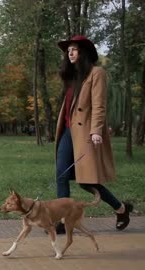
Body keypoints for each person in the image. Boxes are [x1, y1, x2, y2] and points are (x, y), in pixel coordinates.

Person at [54, 35, 133, 234]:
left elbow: (99, 105)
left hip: (85, 133)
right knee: (61, 175)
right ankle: (63, 220)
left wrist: (97, 130)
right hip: (68, 131)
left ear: (84, 53)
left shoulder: (97, 73)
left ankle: (121, 208)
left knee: (86, 181)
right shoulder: (72, 76)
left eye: (74, 49)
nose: (70, 53)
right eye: (68, 50)